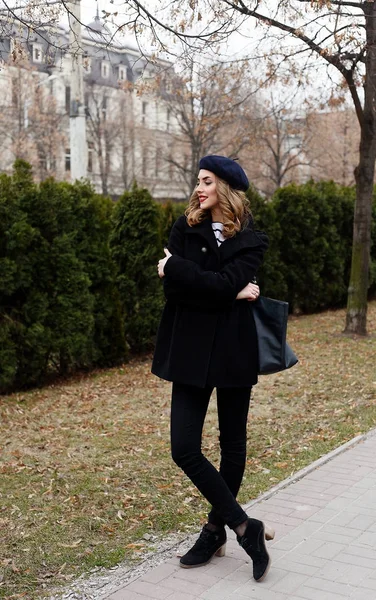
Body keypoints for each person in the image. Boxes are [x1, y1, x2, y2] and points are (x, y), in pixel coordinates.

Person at [151, 155, 274, 583]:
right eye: (198, 181)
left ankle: (213, 531)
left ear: (226, 188)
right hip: (189, 352)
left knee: (232, 445)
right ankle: (245, 526)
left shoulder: (253, 240)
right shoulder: (184, 229)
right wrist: (222, 289)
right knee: (183, 448)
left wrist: (179, 269)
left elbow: (207, 284)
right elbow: (180, 293)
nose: (198, 188)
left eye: (207, 181)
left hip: (233, 352)